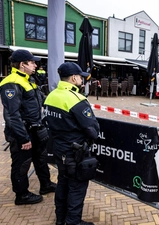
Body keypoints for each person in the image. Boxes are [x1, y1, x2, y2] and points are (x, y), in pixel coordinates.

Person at [44, 62, 100, 225]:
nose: (82, 80)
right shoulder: (76, 99)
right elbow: (92, 130)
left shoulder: (51, 95)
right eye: (81, 77)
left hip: (58, 149)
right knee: (76, 188)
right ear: (74, 78)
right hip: (75, 152)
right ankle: (73, 222)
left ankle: (60, 219)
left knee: (63, 183)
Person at [0, 49, 57, 206]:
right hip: (22, 133)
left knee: (41, 158)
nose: (35, 65)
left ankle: (45, 185)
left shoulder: (28, 80)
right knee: (22, 164)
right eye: (32, 62)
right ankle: (21, 195)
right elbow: (11, 115)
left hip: (35, 130)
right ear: (22, 65)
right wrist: (23, 138)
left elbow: (40, 100)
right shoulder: (11, 83)